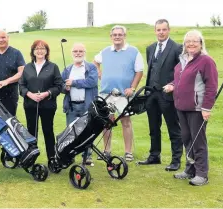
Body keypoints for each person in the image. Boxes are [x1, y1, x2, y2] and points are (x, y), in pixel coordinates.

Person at [164, 30, 218, 186]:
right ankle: (190, 170)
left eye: (195, 41)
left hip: (197, 108)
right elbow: (179, 80)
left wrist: (206, 108)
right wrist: (172, 85)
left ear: (201, 43)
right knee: (187, 139)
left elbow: (211, 86)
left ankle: (202, 174)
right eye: (188, 41)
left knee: (198, 141)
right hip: (181, 106)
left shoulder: (206, 61)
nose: (191, 44)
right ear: (184, 44)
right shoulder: (182, 60)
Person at [137, 19, 183, 171]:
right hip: (151, 93)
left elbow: (181, 72)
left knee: (173, 128)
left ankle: (176, 160)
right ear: (155, 31)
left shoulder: (177, 48)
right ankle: (154, 156)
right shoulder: (150, 48)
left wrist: (173, 85)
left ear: (168, 30)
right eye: (158, 30)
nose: (161, 32)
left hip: (168, 94)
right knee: (153, 127)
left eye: (164, 30)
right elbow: (152, 70)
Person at [93, 25, 143, 162]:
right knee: (107, 122)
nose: (117, 37)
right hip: (106, 93)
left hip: (123, 94)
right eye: (114, 35)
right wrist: (99, 71)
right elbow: (95, 62)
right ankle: (106, 151)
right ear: (111, 37)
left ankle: (128, 152)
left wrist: (132, 88)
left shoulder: (133, 51)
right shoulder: (105, 51)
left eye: (120, 34)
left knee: (125, 122)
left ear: (124, 36)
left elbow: (139, 72)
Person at [19, 40, 62, 162]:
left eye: (43, 48)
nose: (40, 51)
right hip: (30, 105)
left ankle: (52, 159)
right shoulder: (27, 67)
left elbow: (59, 86)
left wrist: (46, 93)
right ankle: (31, 158)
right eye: (37, 48)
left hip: (48, 105)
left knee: (48, 131)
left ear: (46, 51)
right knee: (31, 132)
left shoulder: (53, 67)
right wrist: (29, 94)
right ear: (33, 51)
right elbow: (21, 85)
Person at [62, 43, 98, 166]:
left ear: (84, 53)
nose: (78, 53)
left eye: (80, 51)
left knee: (87, 132)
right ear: (72, 53)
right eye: (75, 51)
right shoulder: (67, 69)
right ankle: (70, 157)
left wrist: (73, 82)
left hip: (86, 105)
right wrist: (65, 87)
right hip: (71, 106)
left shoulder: (91, 67)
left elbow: (92, 82)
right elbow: (61, 85)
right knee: (71, 133)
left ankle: (87, 157)